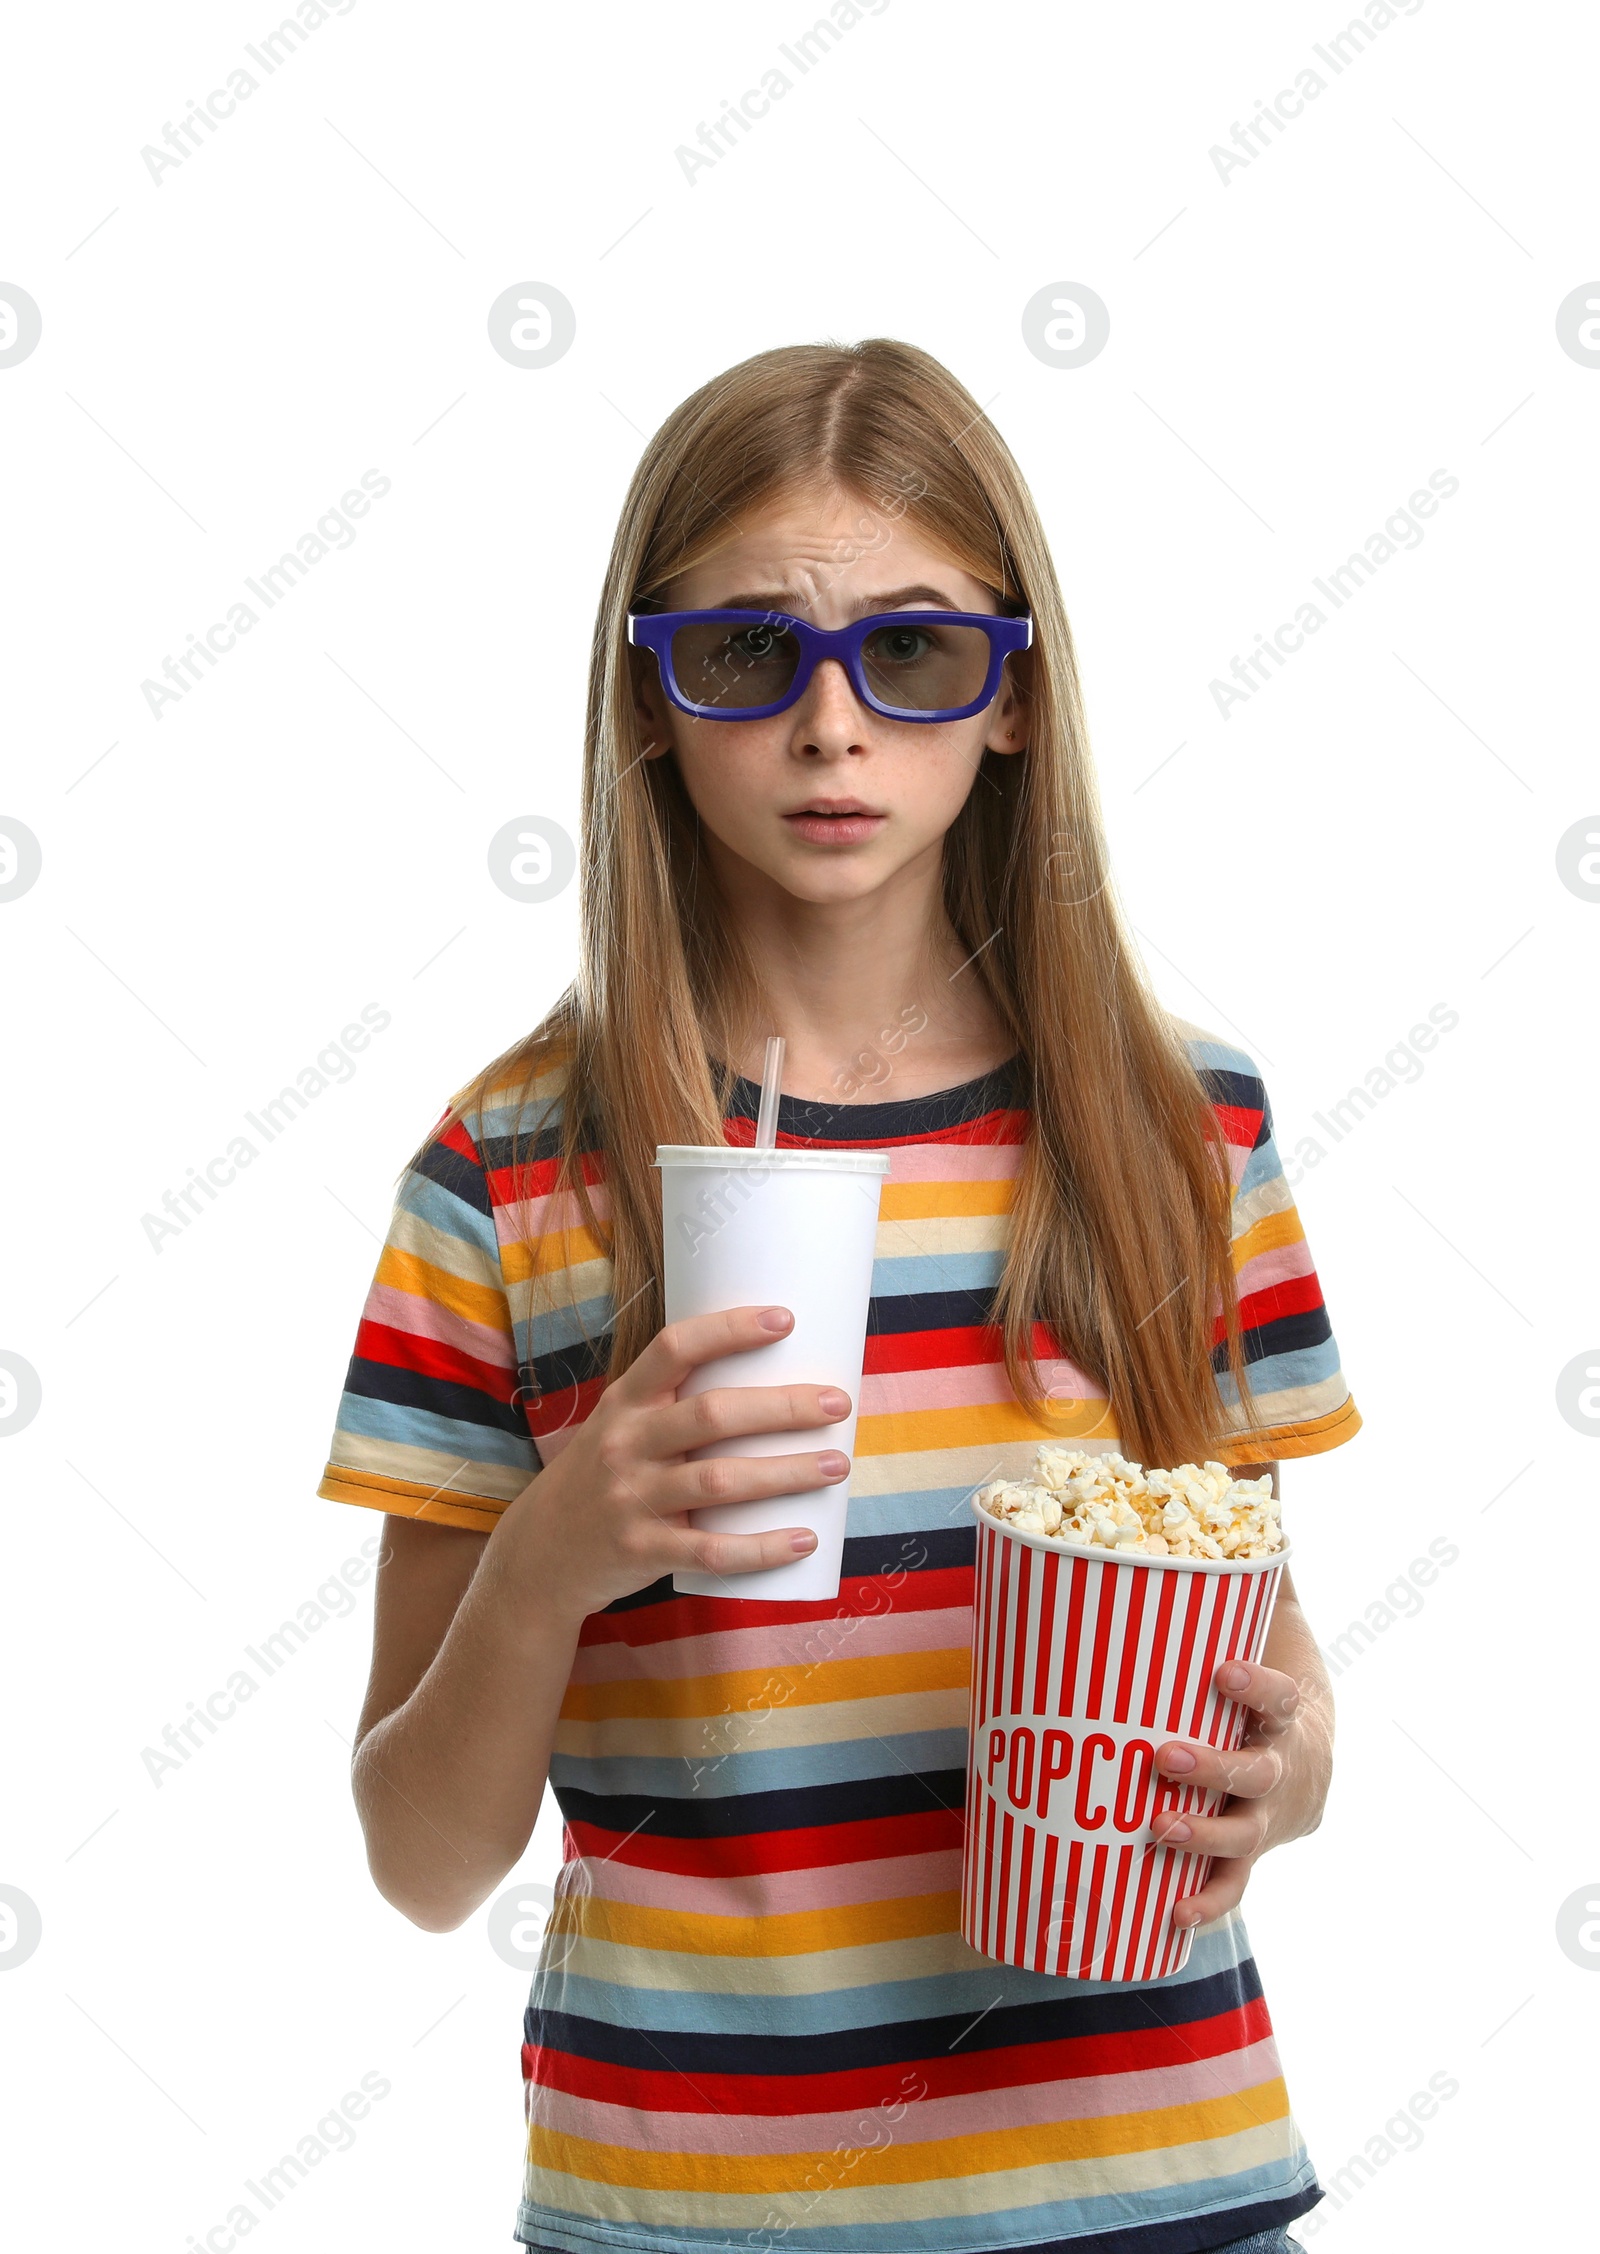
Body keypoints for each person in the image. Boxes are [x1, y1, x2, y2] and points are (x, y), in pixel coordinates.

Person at [317, 338, 1361, 2254]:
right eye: (745, 653)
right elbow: (416, 1856)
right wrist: (554, 1551)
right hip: (697, 2204)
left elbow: (1272, 1667)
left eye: (914, 651)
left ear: (1014, 699)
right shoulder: (506, 1177)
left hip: (1153, 2178)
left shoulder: (1179, 1134)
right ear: (647, 702)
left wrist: (1285, 1776)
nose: (831, 727)